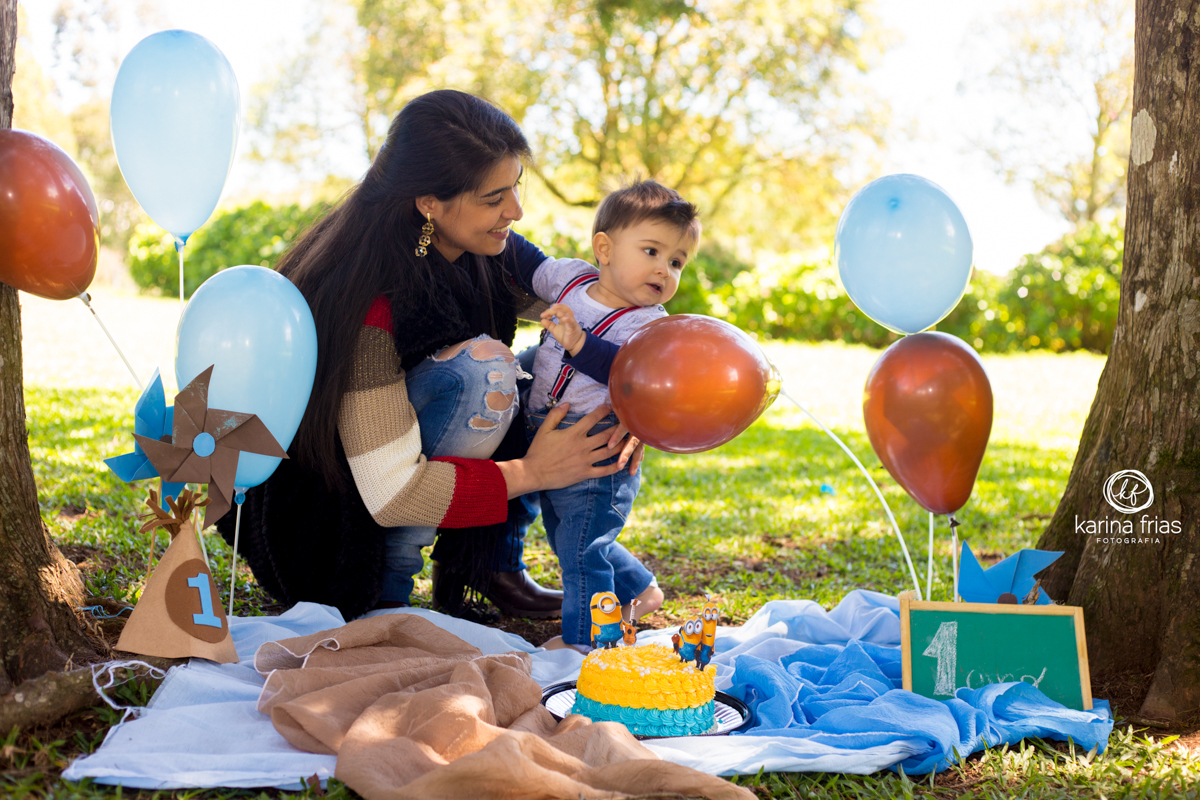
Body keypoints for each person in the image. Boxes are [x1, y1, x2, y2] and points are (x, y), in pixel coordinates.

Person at [216, 90, 643, 620]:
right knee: (485, 371)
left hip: (395, 469)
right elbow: (391, 491)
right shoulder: (367, 298)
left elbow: (591, 310)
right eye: (494, 198)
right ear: (428, 203)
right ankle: (387, 589)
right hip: (331, 522)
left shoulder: (475, 245)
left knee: (546, 364)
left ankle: (490, 564)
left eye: (514, 188)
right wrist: (534, 472)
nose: (516, 210)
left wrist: (634, 395)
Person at [526, 181, 701, 650]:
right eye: (652, 251)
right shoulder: (571, 281)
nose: (664, 269)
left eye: (677, 262)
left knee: (582, 550)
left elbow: (630, 370)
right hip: (549, 434)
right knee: (574, 534)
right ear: (604, 248)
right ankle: (641, 590)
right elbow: (524, 262)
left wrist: (579, 344)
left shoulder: (651, 325)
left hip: (600, 445)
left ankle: (585, 641)